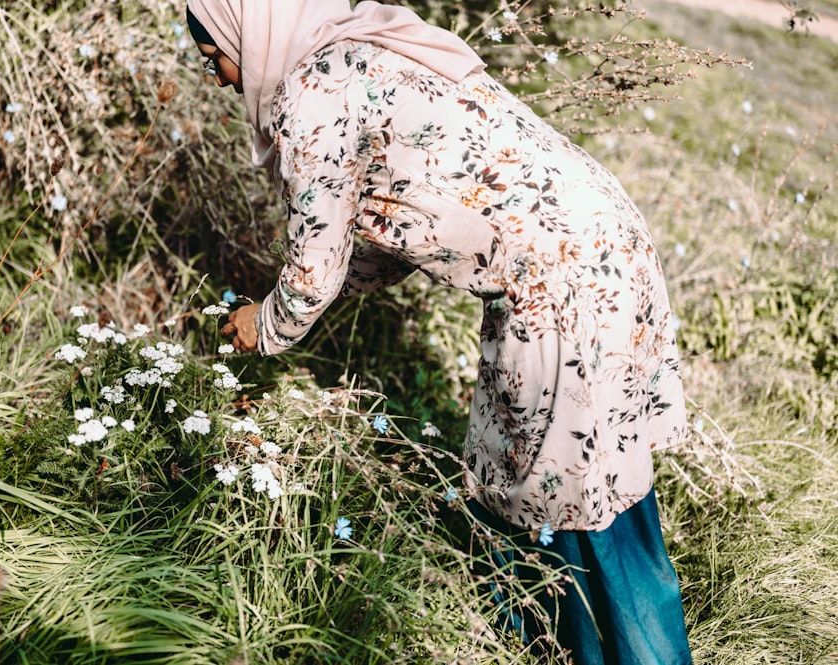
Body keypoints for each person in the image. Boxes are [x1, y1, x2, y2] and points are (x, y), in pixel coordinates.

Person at [186, 1, 693, 663]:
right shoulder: (374, 44)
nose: (220, 78)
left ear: (245, 32)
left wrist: (266, 324)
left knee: (585, 510)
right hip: (603, 242)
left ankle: (623, 651)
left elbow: (315, 267)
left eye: (215, 57)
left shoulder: (312, 91)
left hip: (558, 290)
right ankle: (563, 645)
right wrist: (326, 283)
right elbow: (391, 220)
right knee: (588, 491)